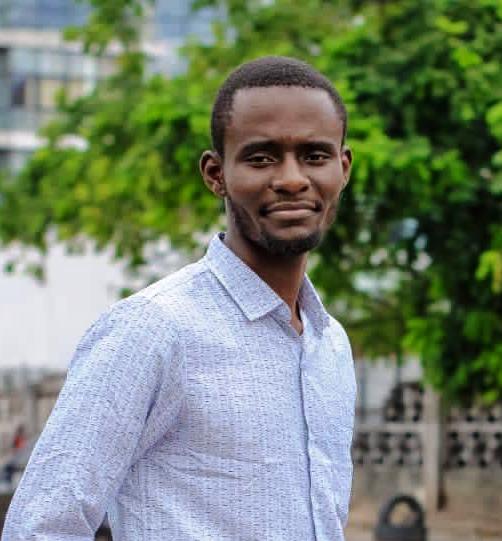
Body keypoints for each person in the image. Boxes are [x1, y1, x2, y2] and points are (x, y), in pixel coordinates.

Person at [2, 56, 356, 541]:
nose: (293, 179)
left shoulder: (330, 344)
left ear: (343, 167)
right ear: (215, 173)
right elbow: (41, 527)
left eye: (315, 156)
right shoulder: (153, 329)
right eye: (261, 158)